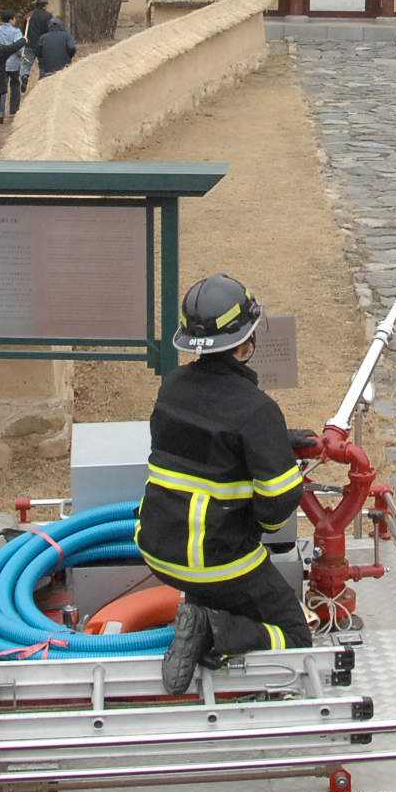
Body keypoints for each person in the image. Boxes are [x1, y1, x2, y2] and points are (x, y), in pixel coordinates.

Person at [139, 274, 310, 693]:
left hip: (159, 549)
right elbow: (279, 498)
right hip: (219, 564)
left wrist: (278, 440)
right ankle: (212, 629)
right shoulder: (256, 411)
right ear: (246, 343)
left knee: (213, 586)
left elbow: (207, 441)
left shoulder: (172, 388)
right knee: (294, 635)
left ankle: (201, 612)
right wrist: (264, 526)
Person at [0, 15, 27, 117]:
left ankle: (0, 112)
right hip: (13, 62)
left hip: (0, 62)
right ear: (11, 19)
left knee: (1, 87)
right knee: (15, 84)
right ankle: (14, 109)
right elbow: (19, 46)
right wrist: (21, 55)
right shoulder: (16, 31)